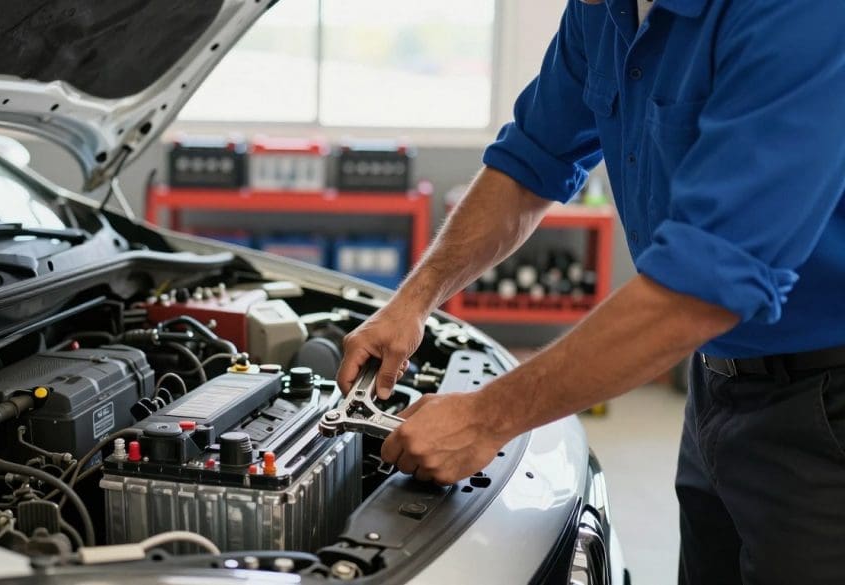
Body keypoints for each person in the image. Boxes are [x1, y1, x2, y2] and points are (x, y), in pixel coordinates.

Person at [335, 0, 845, 583]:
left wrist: (485, 418)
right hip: (719, 383)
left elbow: (705, 288)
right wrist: (413, 300)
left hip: (826, 410)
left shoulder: (801, 13)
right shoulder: (602, 11)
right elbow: (530, 161)